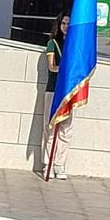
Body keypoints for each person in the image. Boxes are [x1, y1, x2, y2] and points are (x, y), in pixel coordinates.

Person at [42, 14, 72, 180]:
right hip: (53, 90)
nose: (66, 26)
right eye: (64, 23)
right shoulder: (53, 43)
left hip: (69, 93)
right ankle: (48, 162)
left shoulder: (74, 45)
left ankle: (60, 163)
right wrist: (68, 70)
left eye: (69, 23)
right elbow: (52, 67)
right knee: (51, 127)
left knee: (66, 129)